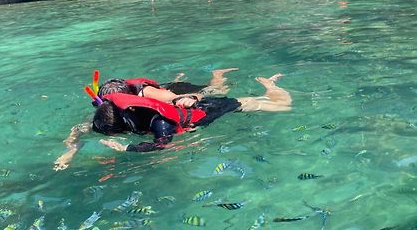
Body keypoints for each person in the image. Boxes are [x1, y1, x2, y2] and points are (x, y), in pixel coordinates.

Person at [54, 69, 237, 170]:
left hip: (172, 95)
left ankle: (217, 75)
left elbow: (176, 101)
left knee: (217, 92)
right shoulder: (109, 109)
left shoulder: (148, 94)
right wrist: (70, 151)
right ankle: (178, 77)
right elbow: (79, 129)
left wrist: (190, 99)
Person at [94, 73, 291, 153]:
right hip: (192, 108)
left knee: (284, 106)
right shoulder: (127, 112)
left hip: (207, 110)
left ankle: (270, 85)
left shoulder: (160, 123)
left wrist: (128, 149)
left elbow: (161, 145)